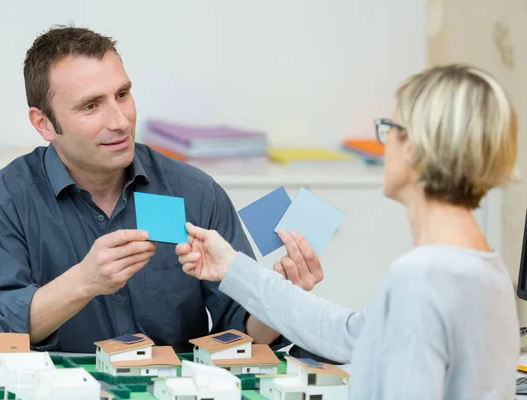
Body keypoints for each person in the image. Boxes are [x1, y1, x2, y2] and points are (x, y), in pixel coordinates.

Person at [176, 64, 520, 399]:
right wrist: (233, 266)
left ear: (413, 148)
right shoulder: (486, 270)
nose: (385, 146)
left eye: (389, 129)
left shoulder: (420, 277)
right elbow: (344, 332)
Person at [0, 25, 296, 353]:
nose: (120, 121)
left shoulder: (195, 193)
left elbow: (239, 336)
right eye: (91, 106)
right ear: (44, 123)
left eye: (122, 95)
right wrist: (83, 282)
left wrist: (278, 300)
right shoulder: (5, 200)